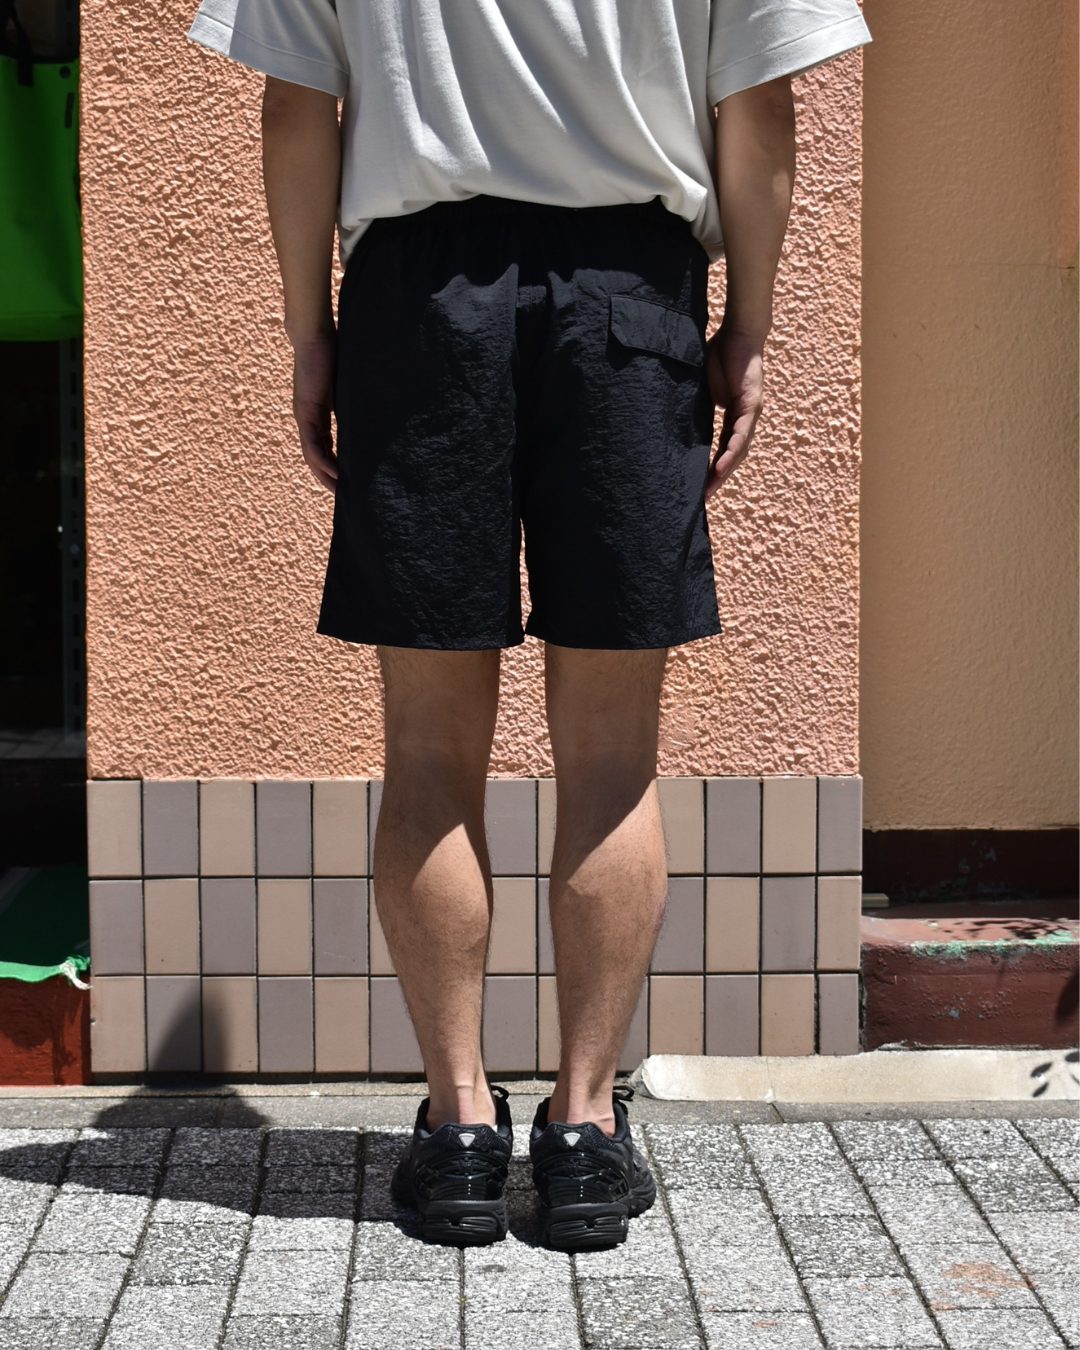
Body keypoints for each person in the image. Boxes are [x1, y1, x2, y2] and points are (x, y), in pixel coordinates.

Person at [189, 0, 869, 1249]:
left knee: (428, 752)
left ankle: (459, 1132)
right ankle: (585, 1132)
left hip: (419, 302)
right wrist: (752, 330)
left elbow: (295, 108)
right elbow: (761, 107)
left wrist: (309, 334)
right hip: (629, 301)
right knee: (612, 758)